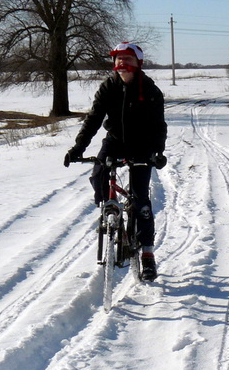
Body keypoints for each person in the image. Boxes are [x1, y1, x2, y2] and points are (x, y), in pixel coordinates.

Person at [64, 42, 167, 281]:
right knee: (98, 174)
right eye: (118, 59)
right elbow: (93, 119)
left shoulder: (150, 90)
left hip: (142, 145)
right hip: (115, 141)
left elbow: (158, 125)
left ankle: (147, 254)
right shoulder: (108, 87)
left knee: (141, 201)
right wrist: (78, 148)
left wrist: (157, 152)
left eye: (127, 59)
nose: (122, 63)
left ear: (138, 63)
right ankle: (110, 211)